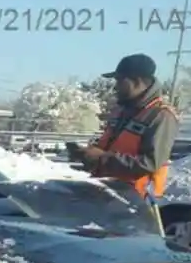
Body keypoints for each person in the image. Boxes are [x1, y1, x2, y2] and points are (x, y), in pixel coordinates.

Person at [71, 54, 179, 205]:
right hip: (106, 196)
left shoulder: (161, 116)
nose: (115, 87)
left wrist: (102, 158)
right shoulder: (122, 111)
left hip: (135, 204)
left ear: (137, 81)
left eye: (120, 81)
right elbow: (110, 147)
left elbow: (149, 163)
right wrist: (88, 155)